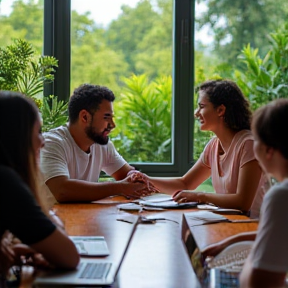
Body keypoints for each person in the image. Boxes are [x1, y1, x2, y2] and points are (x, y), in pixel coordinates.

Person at [136, 80, 267, 218]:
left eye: (201, 106)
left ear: (221, 110)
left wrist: (200, 196)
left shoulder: (248, 144)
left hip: (253, 230)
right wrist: (146, 180)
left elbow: (243, 202)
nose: (196, 113)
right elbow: (185, 184)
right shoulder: (213, 146)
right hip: (229, 224)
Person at [0, 91, 79, 283]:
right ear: (17, 137)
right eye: (37, 132)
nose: (42, 142)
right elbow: (69, 257)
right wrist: (49, 216)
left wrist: (13, 251)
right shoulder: (5, 180)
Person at [40, 84, 153, 204]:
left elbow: (125, 174)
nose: (113, 125)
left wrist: (133, 176)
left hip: (83, 218)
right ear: (85, 117)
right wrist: (120, 187)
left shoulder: (101, 144)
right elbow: (61, 190)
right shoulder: (51, 143)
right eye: (106, 117)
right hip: (50, 220)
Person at [239, 98, 288, 288]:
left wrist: (249, 255)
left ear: (268, 149)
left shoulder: (281, 196)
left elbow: (257, 283)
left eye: (255, 139)